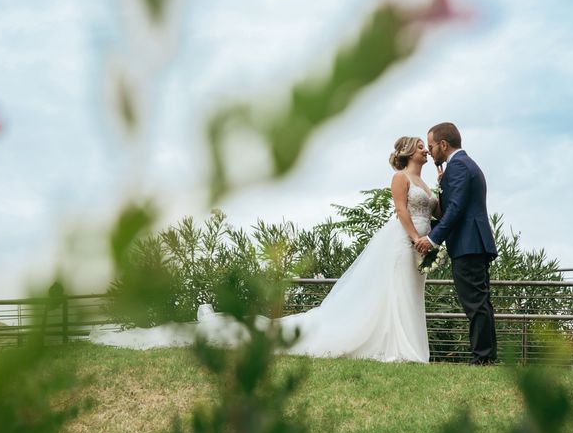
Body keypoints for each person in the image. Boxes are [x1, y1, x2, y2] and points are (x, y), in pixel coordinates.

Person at [91, 136, 439, 363]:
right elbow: (401, 211)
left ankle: (408, 347)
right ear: (408, 153)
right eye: (421, 147)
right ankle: (396, 348)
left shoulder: (426, 180)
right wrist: (415, 240)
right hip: (403, 241)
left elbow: (435, 210)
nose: (425, 149)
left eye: (427, 146)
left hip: (421, 245)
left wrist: (431, 227)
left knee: (410, 292)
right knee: (393, 293)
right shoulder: (401, 179)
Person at [415, 122, 498, 365]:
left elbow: (456, 208)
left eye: (431, 146)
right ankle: (487, 357)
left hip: (468, 243)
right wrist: (444, 183)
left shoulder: (459, 166)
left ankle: (482, 358)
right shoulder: (460, 166)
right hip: (474, 242)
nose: (430, 152)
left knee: (475, 304)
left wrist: (432, 238)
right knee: (480, 303)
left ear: (443, 144)